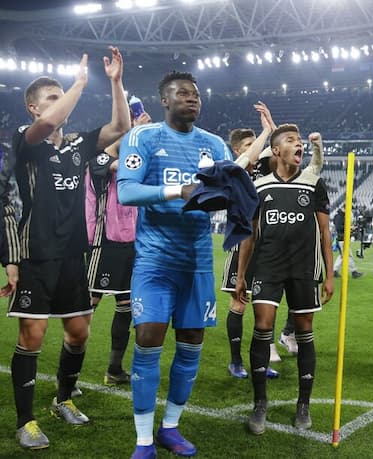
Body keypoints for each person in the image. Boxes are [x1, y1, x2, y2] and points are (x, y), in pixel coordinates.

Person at [5, 48, 130, 450]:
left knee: (78, 333)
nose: (61, 105)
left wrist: (115, 83)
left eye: (63, 97)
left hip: (73, 253)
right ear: (33, 107)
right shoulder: (27, 141)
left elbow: (120, 126)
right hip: (36, 254)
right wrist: (77, 84)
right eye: (51, 98)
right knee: (33, 335)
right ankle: (26, 421)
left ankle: (64, 398)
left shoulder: (79, 144)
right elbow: (47, 124)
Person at [117, 71, 232, 458]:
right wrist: (177, 190)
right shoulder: (143, 138)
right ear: (164, 100)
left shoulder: (215, 145)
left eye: (196, 94)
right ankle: (144, 440)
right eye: (182, 93)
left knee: (191, 344)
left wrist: (231, 198)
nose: (192, 99)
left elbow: (229, 193)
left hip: (197, 263)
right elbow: (127, 191)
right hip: (155, 260)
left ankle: (170, 427)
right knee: (148, 337)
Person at [235, 123, 334, 435]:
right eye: (291, 140)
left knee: (304, 330)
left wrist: (329, 275)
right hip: (268, 267)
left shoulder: (312, 183)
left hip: (304, 269)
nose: (298, 143)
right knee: (262, 326)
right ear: (276, 151)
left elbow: (325, 232)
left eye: (300, 140)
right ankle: (260, 401)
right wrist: (241, 274)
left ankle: (303, 404)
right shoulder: (260, 186)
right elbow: (250, 234)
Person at [86, 111, 151, 386]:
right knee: (84, 311)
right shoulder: (98, 158)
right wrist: (134, 130)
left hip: (129, 243)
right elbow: (117, 166)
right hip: (101, 243)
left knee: (125, 307)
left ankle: (114, 369)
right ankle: (68, 375)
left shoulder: (132, 161)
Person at [219, 105, 285, 379]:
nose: (258, 148)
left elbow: (281, 149)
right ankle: (235, 361)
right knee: (239, 303)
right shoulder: (237, 172)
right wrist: (264, 133)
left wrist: (272, 128)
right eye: (249, 145)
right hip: (242, 247)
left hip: (267, 252)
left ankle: (260, 360)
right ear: (239, 150)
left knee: (264, 308)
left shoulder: (265, 171)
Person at [333, 207, 364, 278]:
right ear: (344, 208)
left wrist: (350, 228)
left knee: (342, 256)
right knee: (348, 255)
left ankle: (334, 271)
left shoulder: (340, 216)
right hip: (342, 238)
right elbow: (338, 227)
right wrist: (349, 227)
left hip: (342, 238)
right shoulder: (339, 216)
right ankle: (354, 272)